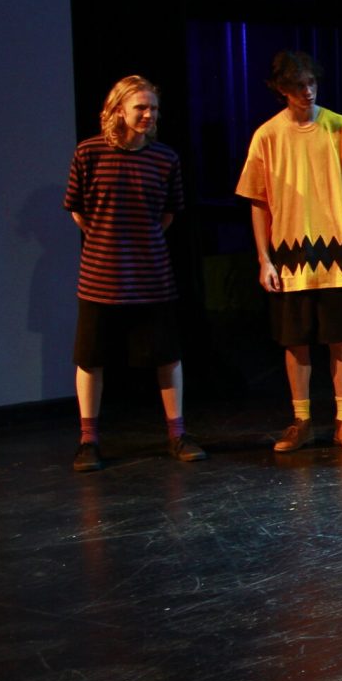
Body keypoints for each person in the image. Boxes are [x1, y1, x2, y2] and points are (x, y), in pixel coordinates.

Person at [63, 75, 205, 472]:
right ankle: (88, 440)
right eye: (140, 107)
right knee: (91, 358)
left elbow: (169, 213)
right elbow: (77, 209)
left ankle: (177, 434)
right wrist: (108, 239)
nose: (148, 114)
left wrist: (139, 241)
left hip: (152, 273)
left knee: (167, 356)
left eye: (153, 108)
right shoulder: (89, 152)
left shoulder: (165, 158)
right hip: (100, 275)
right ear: (118, 110)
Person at [236, 50, 342, 452]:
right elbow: (258, 201)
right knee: (296, 341)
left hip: (336, 252)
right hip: (290, 254)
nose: (307, 91)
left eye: (311, 82)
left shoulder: (341, 129)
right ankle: (302, 420)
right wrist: (264, 259)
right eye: (297, 85)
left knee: (340, 338)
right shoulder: (267, 136)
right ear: (282, 89)